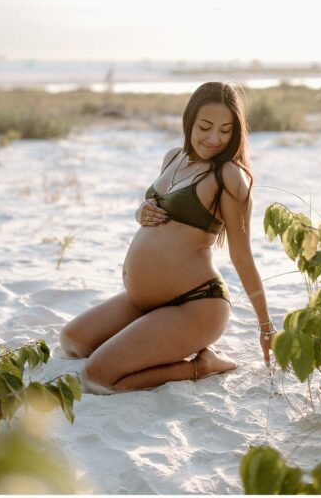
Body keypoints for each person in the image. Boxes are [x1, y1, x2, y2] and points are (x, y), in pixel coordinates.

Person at [60, 83, 275, 391]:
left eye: (226, 130)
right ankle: (151, 334)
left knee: (98, 377)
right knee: (73, 341)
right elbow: (163, 209)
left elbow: (242, 256)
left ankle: (202, 365)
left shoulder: (228, 176)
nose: (214, 139)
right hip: (147, 301)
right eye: (205, 127)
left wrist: (265, 326)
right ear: (189, 121)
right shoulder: (173, 157)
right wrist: (141, 211)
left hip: (196, 304)